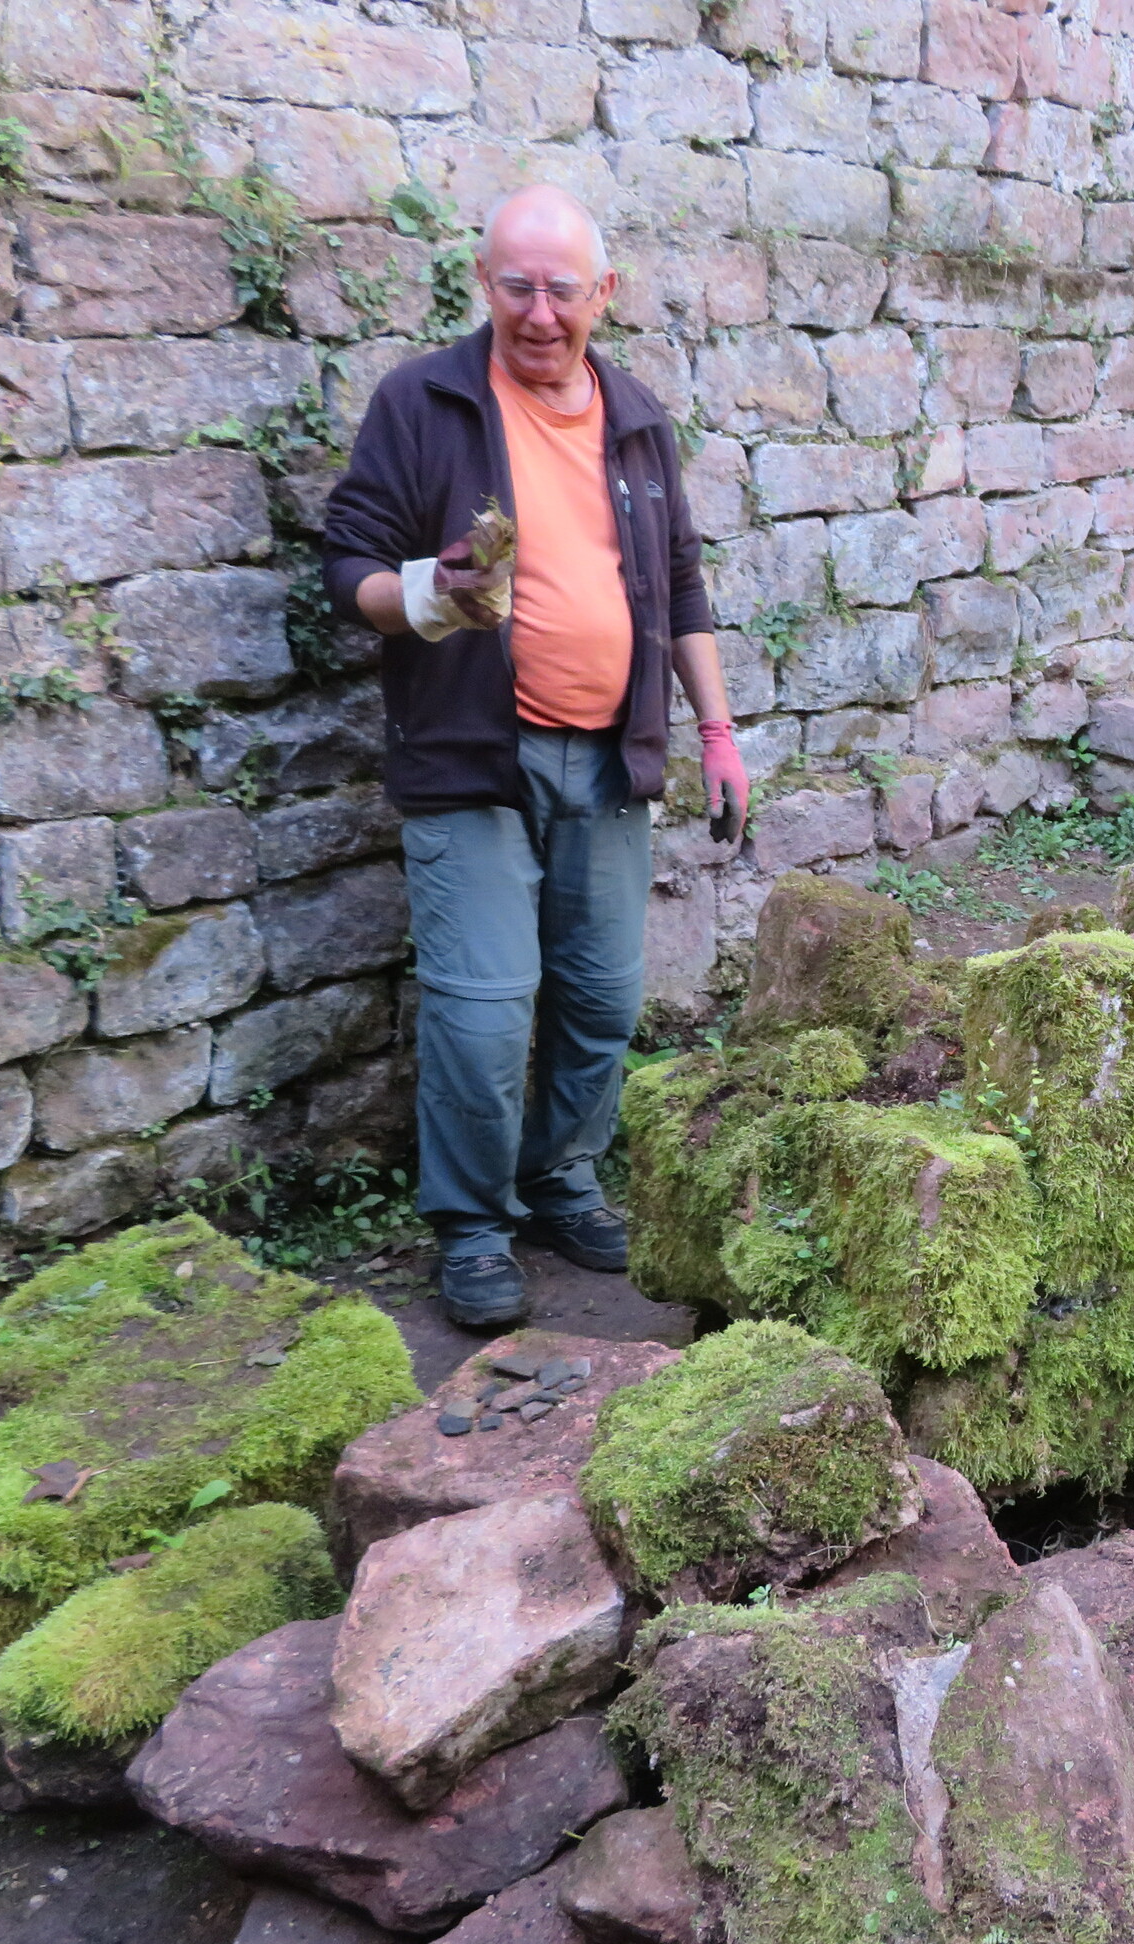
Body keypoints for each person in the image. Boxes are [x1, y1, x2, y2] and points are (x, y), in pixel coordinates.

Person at [322, 184, 749, 1329]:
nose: (541, 312)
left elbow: (684, 586)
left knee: (603, 996)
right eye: (518, 286)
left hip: (611, 759)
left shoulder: (638, 418)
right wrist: (428, 594)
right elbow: (347, 565)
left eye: (564, 289)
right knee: (483, 1009)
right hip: (472, 757)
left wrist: (716, 733)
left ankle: (562, 1181)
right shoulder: (425, 404)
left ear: (604, 292)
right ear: (484, 282)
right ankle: (472, 1226)